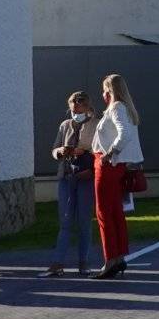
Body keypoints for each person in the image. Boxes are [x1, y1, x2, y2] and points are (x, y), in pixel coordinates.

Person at [91, 72, 144, 279]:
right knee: (116, 212)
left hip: (107, 165)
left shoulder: (116, 108)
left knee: (104, 213)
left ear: (109, 91)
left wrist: (110, 153)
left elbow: (124, 134)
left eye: (104, 90)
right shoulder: (127, 108)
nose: (103, 94)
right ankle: (119, 257)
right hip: (118, 166)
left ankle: (110, 260)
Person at [45, 90, 96, 277]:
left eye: (79, 107)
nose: (75, 111)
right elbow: (54, 150)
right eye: (72, 108)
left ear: (87, 107)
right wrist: (61, 151)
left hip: (86, 178)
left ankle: (84, 262)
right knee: (65, 221)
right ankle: (57, 263)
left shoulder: (96, 125)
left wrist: (89, 165)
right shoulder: (65, 125)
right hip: (67, 177)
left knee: (84, 221)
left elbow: (100, 152)